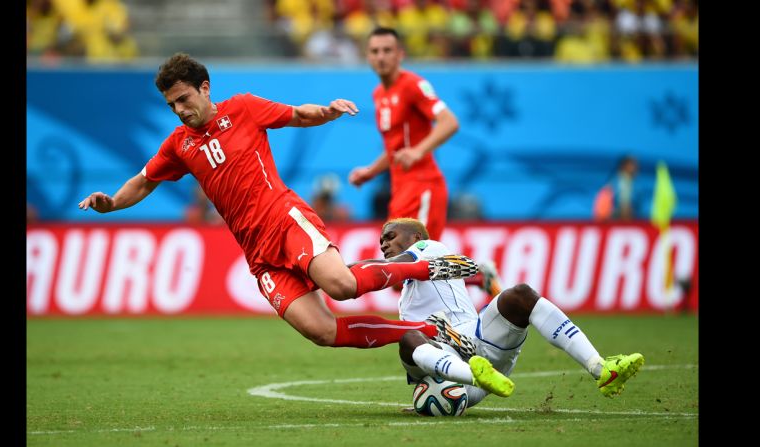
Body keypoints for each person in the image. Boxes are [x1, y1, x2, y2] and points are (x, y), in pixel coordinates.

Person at [78, 53, 479, 351]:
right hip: (258, 254)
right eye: (173, 106)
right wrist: (110, 203)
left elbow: (298, 115)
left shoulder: (243, 108)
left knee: (342, 286)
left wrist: (326, 111)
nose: (181, 111)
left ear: (205, 88)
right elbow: (144, 182)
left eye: (185, 99)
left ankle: (427, 265)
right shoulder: (179, 145)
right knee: (322, 332)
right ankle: (431, 331)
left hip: (284, 219)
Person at [373, 217, 645, 407]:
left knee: (520, 296)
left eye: (390, 236)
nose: (383, 244)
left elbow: (378, 270)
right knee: (409, 337)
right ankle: (475, 377)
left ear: (416, 238)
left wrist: (337, 270)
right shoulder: (406, 297)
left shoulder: (430, 248)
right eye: (381, 240)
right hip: (459, 376)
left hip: (479, 342)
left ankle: (601, 368)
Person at [348, 27, 459, 241]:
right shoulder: (378, 94)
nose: (381, 57)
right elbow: (394, 149)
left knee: (423, 261)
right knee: (397, 263)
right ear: (368, 57)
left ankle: (482, 274)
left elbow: (450, 122)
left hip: (422, 185)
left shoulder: (413, 85)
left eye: (387, 50)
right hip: (400, 190)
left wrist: (418, 151)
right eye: (375, 51)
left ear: (400, 54)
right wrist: (370, 171)